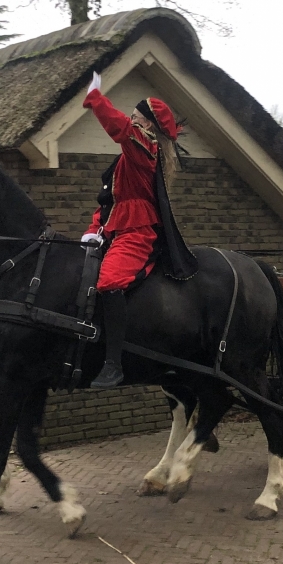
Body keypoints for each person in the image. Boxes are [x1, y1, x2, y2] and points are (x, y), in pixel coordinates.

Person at [79, 73, 197, 389]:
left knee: (108, 282)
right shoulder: (129, 156)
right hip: (115, 227)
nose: (131, 120)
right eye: (131, 116)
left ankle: (113, 363)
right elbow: (109, 200)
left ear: (147, 124)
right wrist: (94, 230)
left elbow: (120, 129)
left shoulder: (146, 146)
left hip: (138, 230)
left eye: (135, 116)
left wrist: (96, 99)